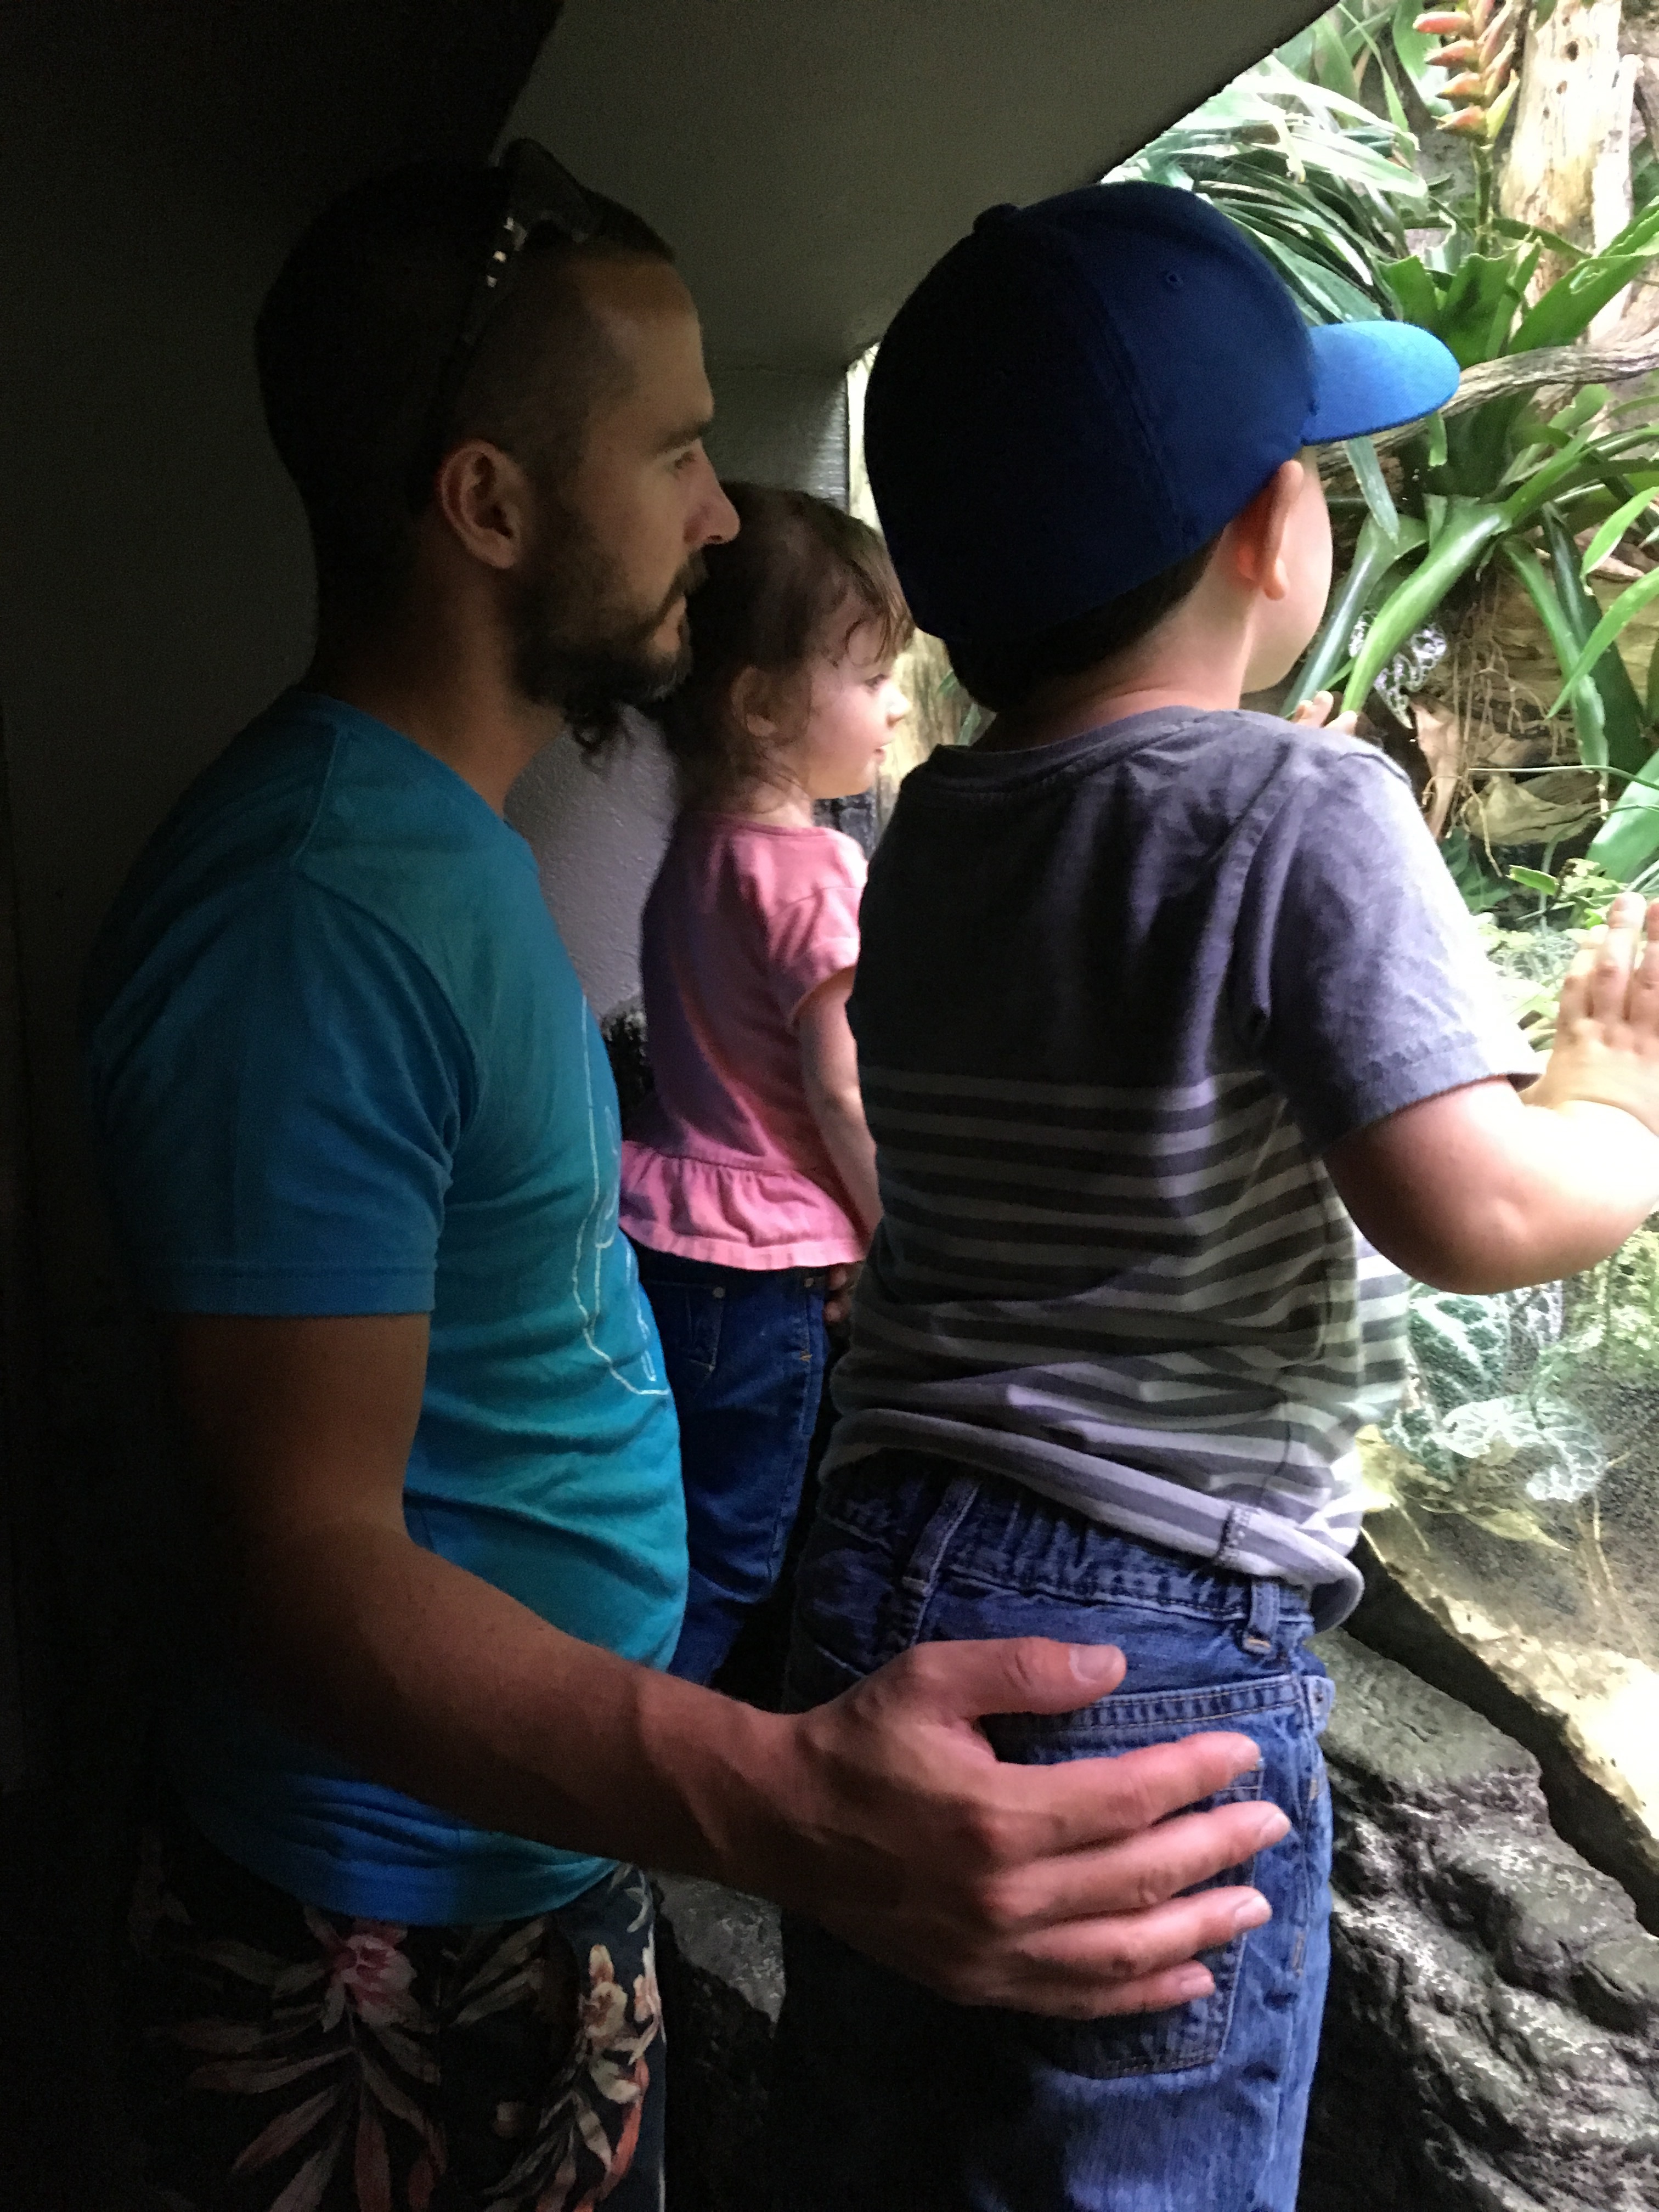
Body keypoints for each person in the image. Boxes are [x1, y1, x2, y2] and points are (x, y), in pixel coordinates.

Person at [82, 149, 1291, 2212]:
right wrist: (782, 1799)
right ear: (489, 505)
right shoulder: (315, 910)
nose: (721, 515)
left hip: (517, 1860)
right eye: (672, 454)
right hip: (374, 1942)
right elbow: (301, 1559)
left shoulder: (427, 853)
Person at [769, 182, 1659, 2212]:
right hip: (1142, 1634)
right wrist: (1612, 1108)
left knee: (878, 2145)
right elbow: (1465, 1212)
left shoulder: (933, 827)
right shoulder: (1304, 803)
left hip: (878, 1575)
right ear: (1274, 526)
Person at [619, 482, 907, 1684]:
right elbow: (842, 1094)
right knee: (738, 1558)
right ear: (760, 707)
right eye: (872, 676)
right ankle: (647, 1752)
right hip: (771, 1271)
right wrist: (895, 1240)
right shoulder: (815, 870)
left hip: (662, 1233)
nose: (896, 706)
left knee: (670, 1526)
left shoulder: (696, 853)